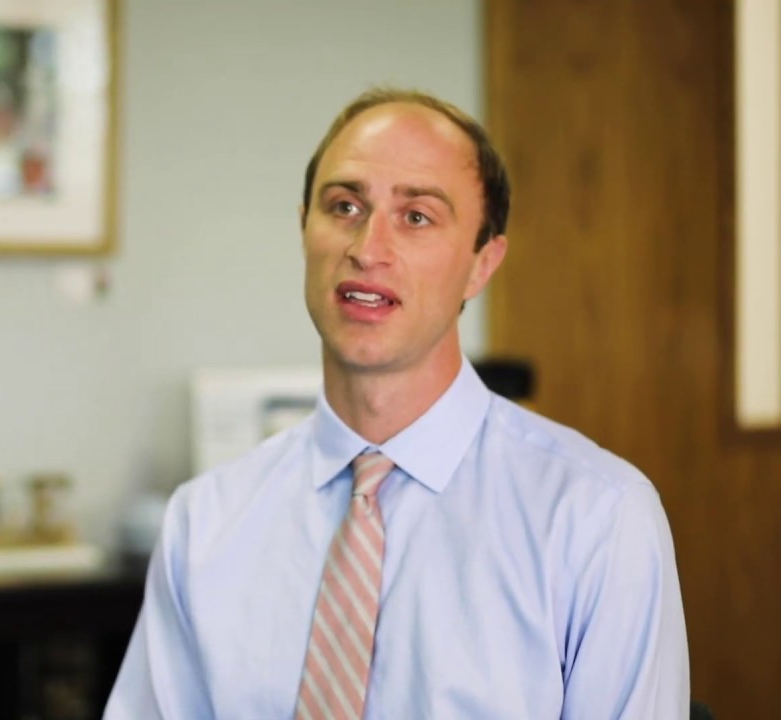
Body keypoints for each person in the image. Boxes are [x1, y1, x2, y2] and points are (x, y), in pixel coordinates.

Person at [104, 88, 688, 719]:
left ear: (482, 263)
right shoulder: (204, 524)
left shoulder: (598, 520)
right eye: (344, 206)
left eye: (416, 217)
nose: (367, 248)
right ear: (304, 228)